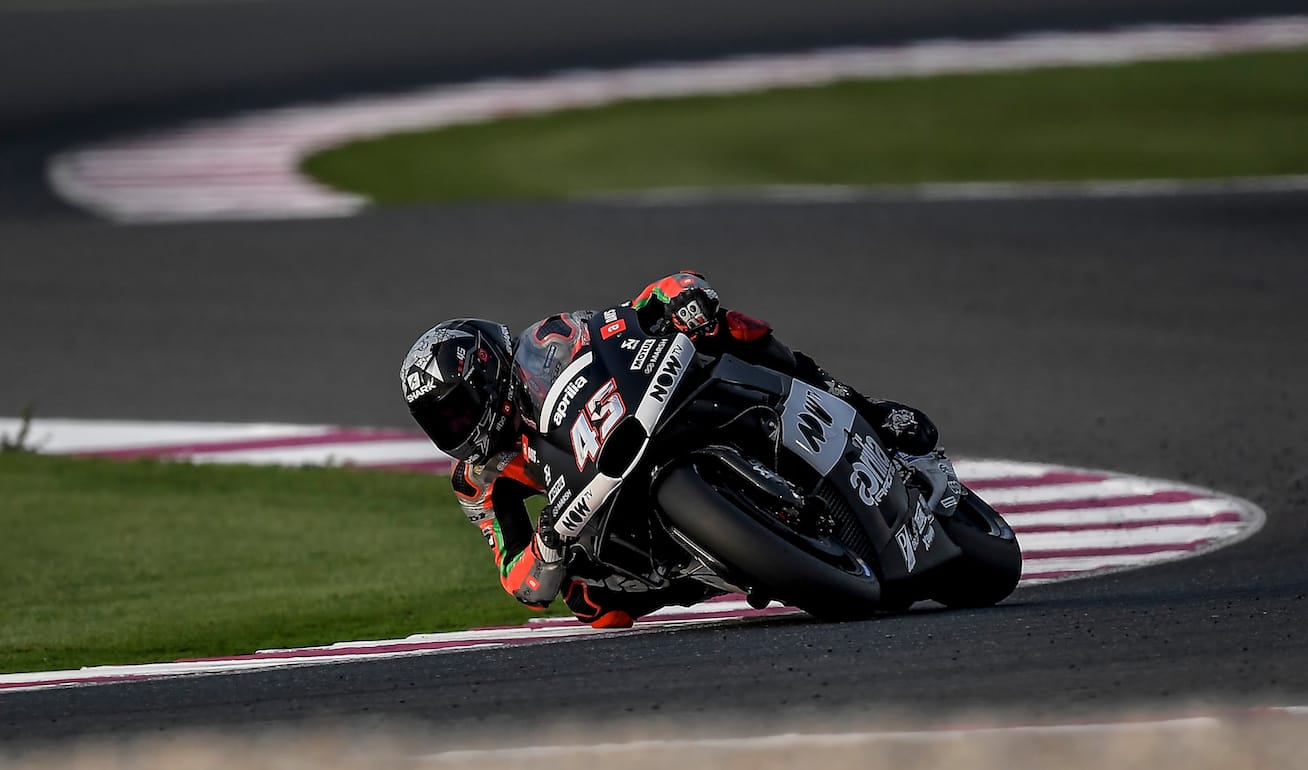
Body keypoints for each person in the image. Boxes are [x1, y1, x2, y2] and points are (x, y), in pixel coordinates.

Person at [400, 272, 960, 629]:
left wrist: (677, 296)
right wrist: (545, 546)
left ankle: (863, 406)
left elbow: (624, 316)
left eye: (458, 408)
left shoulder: (547, 342)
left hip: (645, 408)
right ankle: (715, 563)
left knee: (725, 328)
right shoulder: (477, 480)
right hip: (597, 504)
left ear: (487, 373)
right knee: (592, 606)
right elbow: (517, 579)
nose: (457, 426)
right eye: (440, 421)